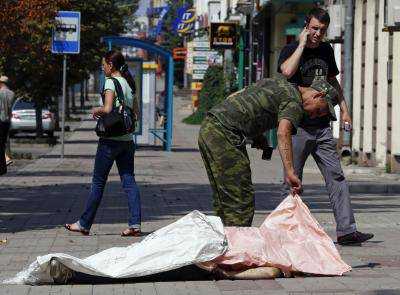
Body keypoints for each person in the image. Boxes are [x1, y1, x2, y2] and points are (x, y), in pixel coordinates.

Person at [278, 7, 373, 245]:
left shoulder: (326, 50)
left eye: (322, 30)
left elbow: (332, 81)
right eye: (313, 29)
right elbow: (287, 71)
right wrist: (301, 45)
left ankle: (346, 231)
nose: (317, 34)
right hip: (298, 127)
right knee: (292, 179)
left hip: (321, 128)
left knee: (337, 176)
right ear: (305, 26)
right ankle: (283, 232)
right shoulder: (291, 49)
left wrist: (345, 111)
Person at [198, 77, 338, 227]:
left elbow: (235, 98)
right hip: (224, 134)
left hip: (209, 126)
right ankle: (237, 245)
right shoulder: (294, 103)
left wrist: (256, 135)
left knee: (225, 196)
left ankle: (224, 240)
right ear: (318, 95)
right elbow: (283, 133)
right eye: (318, 111)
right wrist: (290, 172)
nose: (314, 116)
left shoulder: (276, 83)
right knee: (240, 199)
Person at [65, 50, 141, 236]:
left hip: (109, 142)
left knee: (98, 182)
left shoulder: (110, 82)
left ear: (111, 65)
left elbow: (107, 108)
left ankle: (84, 223)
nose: (102, 67)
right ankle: (135, 224)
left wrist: (96, 110)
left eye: (103, 64)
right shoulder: (129, 83)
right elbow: (136, 112)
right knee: (129, 180)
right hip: (127, 141)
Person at [0, 75, 15, 175]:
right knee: (2, 143)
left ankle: (5, 162)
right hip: (7, 122)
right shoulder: (12, 93)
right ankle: (3, 167)